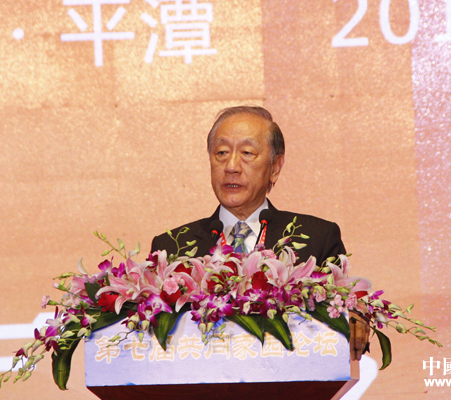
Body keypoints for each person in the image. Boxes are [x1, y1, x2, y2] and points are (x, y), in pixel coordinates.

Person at [151, 105, 369, 359]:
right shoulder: (172, 247)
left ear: (275, 167)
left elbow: (345, 329)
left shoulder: (317, 238)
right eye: (221, 153)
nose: (231, 166)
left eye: (247, 153)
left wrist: (356, 315)